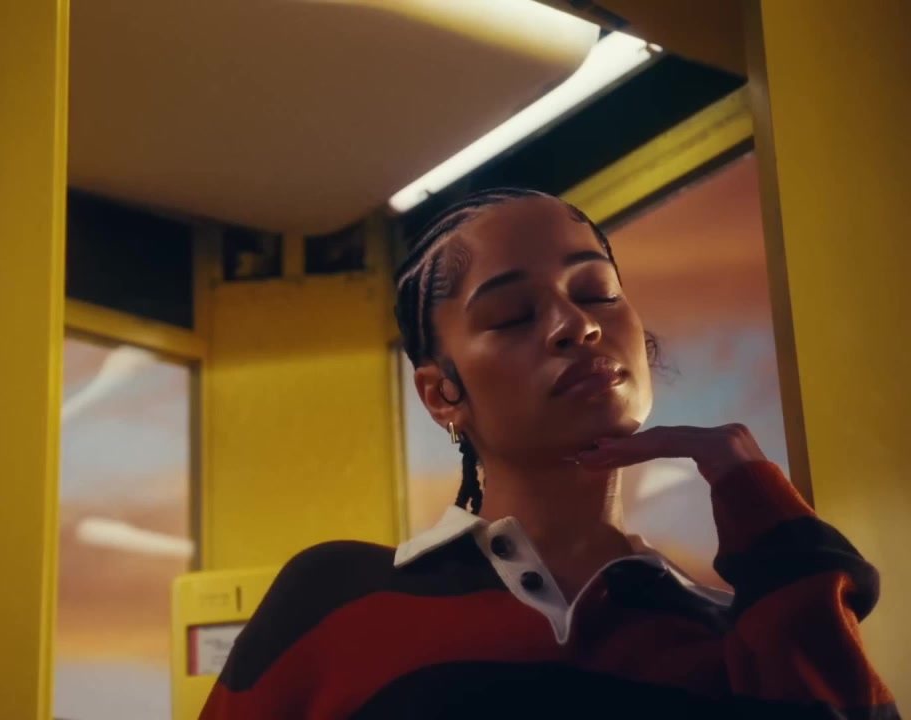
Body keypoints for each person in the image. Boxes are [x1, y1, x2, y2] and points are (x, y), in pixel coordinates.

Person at [199, 189, 897, 719]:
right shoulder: (334, 599)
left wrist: (764, 512)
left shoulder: (728, 632)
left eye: (598, 293)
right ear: (441, 394)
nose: (577, 325)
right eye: (512, 316)